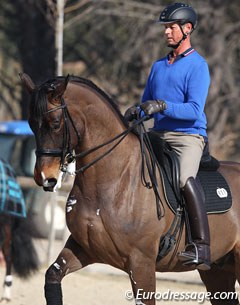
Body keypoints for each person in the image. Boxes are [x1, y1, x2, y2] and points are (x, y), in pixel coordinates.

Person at [124, 3, 211, 270]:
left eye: (171, 27)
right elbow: (146, 103)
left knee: (185, 178)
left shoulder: (198, 66)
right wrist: (134, 111)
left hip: (188, 137)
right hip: (158, 134)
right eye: (165, 27)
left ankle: (201, 246)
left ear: (187, 29)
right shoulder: (158, 66)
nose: (167, 32)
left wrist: (162, 106)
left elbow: (194, 110)